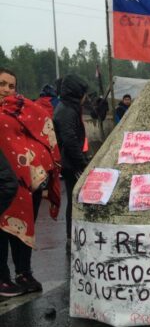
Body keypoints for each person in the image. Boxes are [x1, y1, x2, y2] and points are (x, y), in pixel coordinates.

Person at [1, 68, 61, 296]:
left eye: (11, 85)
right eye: (1, 84)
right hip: (3, 184)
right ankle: (2, 277)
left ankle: (23, 273)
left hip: (28, 185)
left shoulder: (25, 110)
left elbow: (42, 133)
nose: (6, 89)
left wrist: (43, 171)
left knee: (25, 230)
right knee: (2, 233)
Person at [53, 74, 89, 248]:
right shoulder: (67, 110)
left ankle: (72, 233)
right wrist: (82, 163)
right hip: (70, 163)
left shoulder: (68, 107)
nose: (85, 97)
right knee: (76, 198)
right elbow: (70, 139)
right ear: (77, 93)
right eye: (83, 93)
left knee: (74, 198)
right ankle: (72, 234)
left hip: (69, 161)